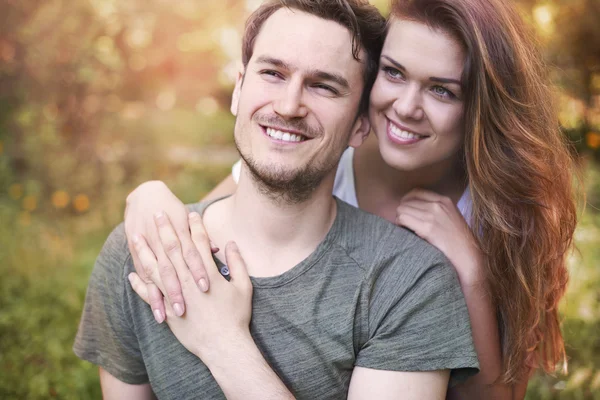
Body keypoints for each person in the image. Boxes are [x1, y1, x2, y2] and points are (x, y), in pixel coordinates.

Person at [123, 0, 579, 398]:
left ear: (482, 103)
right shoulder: (323, 159)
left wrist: (472, 274)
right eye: (394, 73)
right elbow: (211, 213)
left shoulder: (511, 208)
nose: (406, 107)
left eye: (442, 89)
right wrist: (148, 195)